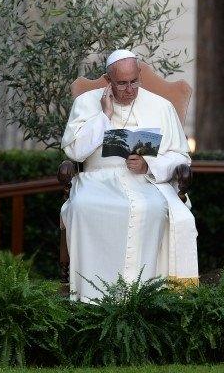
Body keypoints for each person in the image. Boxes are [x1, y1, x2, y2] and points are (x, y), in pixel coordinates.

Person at [61, 49, 198, 301]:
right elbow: (75, 151)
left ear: (139, 77)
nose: (129, 89)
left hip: (146, 181)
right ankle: (91, 297)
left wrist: (149, 165)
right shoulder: (86, 103)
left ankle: (142, 296)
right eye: (121, 83)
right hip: (96, 179)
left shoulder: (161, 106)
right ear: (108, 80)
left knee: (154, 208)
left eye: (134, 81)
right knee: (81, 205)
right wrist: (104, 116)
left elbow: (181, 157)